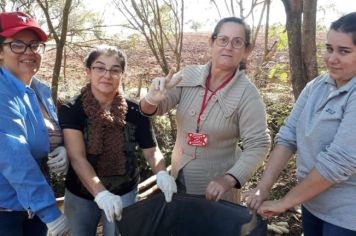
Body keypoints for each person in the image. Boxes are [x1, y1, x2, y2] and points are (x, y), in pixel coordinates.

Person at [244, 12, 356, 235]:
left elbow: (338, 162)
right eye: (329, 48)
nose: (332, 58)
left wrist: (283, 202)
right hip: (312, 203)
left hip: (347, 215)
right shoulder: (316, 86)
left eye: (344, 51)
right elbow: (288, 136)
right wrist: (262, 188)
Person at [139, 17, 271, 203]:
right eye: (223, 39)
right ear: (211, 42)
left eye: (237, 42)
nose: (228, 47)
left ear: (246, 50)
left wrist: (229, 179)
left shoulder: (247, 94)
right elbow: (151, 109)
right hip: (178, 178)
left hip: (217, 192)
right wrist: (150, 99)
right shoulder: (188, 75)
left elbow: (259, 144)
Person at [58, 44, 177, 236]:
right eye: (100, 67)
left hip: (125, 193)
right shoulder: (72, 109)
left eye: (115, 70)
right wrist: (101, 194)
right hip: (80, 195)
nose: (107, 75)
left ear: (123, 75)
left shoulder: (136, 110)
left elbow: (151, 149)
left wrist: (162, 173)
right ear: (88, 71)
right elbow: (77, 157)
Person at [0, 12, 69, 236]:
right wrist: (51, 212)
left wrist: (62, 148)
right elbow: (13, 153)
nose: (29, 52)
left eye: (35, 45)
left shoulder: (40, 90)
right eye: (17, 44)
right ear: (0, 51)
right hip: (5, 212)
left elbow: (45, 135)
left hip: (32, 209)